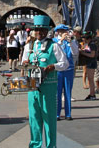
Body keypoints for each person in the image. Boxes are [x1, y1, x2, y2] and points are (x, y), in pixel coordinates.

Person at [22, 15, 69, 148]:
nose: (39, 32)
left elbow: (65, 63)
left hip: (48, 86)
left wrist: (52, 66)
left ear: (47, 31)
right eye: (37, 30)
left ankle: (51, 145)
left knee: (49, 118)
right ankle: (35, 144)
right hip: (32, 85)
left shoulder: (54, 46)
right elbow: (23, 62)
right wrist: (25, 63)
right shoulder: (29, 46)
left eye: (42, 29)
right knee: (34, 117)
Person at [53, 24, 78, 120]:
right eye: (62, 31)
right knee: (57, 92)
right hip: (58, 70)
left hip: (69, 70)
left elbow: (75, 52)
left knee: (68, 92)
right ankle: (57, 114)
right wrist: (61, 40)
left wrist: (70, 42)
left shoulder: (71, 40)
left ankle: (68, 114)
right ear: (58, 32)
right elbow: (54, 52)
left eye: (65, 31)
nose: (64, 33)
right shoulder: (54, 41)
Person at [80, 31, 97, 100]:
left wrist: (83, 53)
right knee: (89, 79)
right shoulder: (88, 44)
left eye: (84, 38)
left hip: (91, 62)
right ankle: (91, 93)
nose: (83, 39)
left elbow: (92, 55)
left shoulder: (92, 44)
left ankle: (92, 94)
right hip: (89, 62)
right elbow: (85, 50)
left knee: (91, 79)